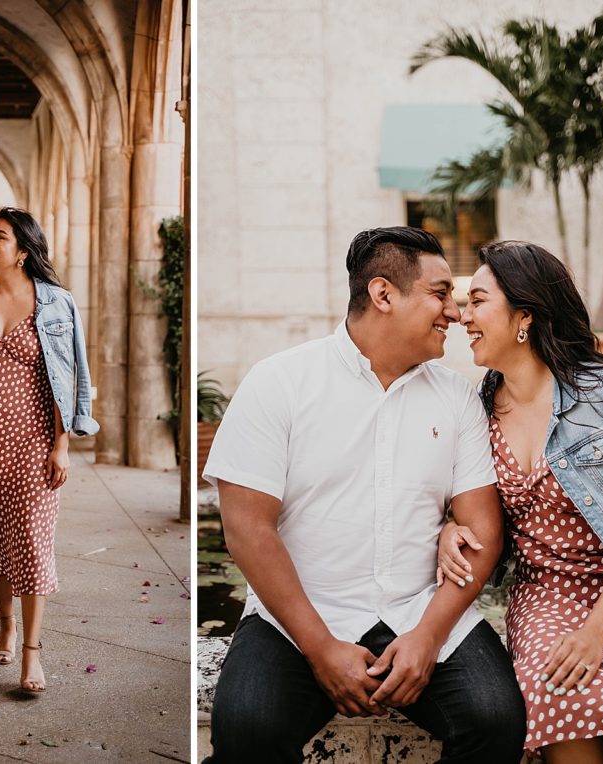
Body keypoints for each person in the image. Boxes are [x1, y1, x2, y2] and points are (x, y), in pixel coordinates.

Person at [201, 226, 526, 764]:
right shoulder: (278, 382)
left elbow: (483, 532)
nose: (455, 311)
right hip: (301, 616)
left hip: (420, 610)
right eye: (441, 293)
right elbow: (247, 529)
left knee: (495, 719)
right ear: (383, 294)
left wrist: (426, 639)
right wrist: (322, 649)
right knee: (246, 729)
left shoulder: (457, 397)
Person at [437, 240, 603, 763]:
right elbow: (464, 504)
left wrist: (597, 631)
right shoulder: (477, 409)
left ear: (524, 317)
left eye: (478, 302)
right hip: (546, 598)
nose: (462, 315)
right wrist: (450, 525)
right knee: (560, 709)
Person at [0, 207, 97, 694]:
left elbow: (70, 377)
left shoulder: (56, 303)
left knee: (30, 542)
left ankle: (32, 651)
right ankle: (4, 621)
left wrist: (62, 444)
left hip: (33, 444)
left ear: (23, 251)